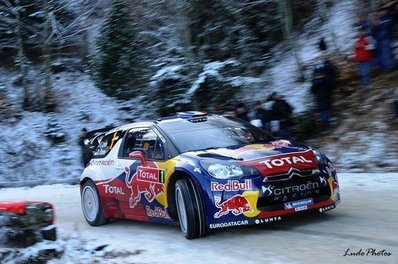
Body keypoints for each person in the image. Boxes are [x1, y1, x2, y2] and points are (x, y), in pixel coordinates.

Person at [310, 56, 338, 130]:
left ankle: (327, 123)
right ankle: (326, 124)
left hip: (325, 94)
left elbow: (330, 81)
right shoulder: (316, 78)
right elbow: (312, 89)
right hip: (321, 96)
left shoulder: (323, 75)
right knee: (324, 110)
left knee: (326, 109)